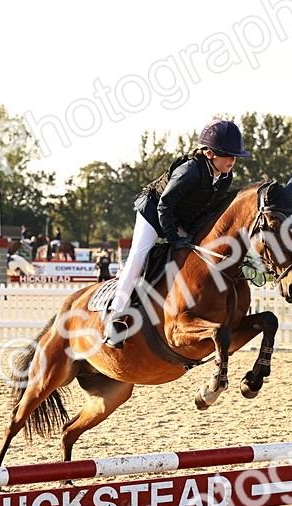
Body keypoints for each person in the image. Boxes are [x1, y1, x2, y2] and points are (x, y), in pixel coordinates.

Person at [104, 119, 250, 347]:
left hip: (180, 216)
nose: (233, 160)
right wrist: (173, 238)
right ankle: (115, 317)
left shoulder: (224, 178)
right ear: (210, 154)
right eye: (228, 155)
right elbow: (165, 206)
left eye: (235, 156)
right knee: (138, 257)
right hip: (153, 212)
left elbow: (206, 212)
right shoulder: (189, 171)